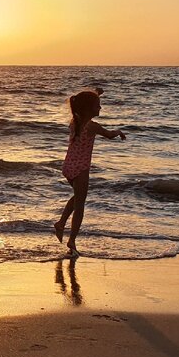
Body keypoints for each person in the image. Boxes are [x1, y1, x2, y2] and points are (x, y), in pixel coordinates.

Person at [54, 87, 127, 257]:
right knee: (80, 206)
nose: (100, 108)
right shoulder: (92, 126)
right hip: (81, 169)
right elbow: (109, 135)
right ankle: (72, 241)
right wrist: (119, 132)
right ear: (88, 109)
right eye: (97, 105)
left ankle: (60, 223)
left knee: (77, 197)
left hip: (68, 166)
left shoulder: (75, 121)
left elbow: (82, 102)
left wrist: (96, 93)